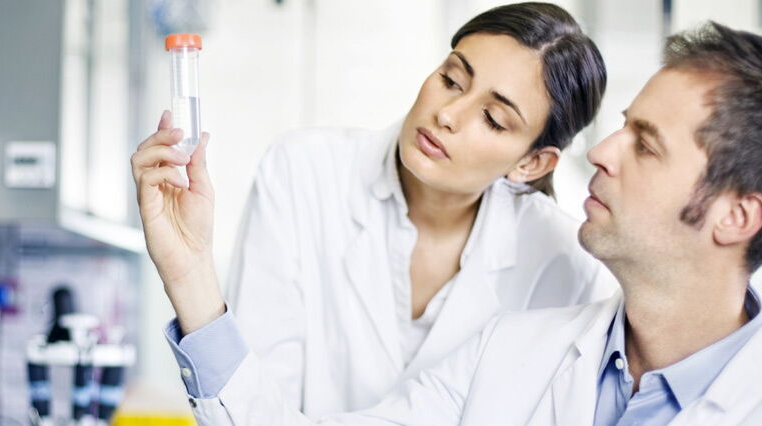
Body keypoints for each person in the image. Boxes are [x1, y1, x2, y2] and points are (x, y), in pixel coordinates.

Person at [132, 21, 762, 425]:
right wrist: (191, 276)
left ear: (735, 216)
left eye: (646, 145)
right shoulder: (514, 352)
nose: (601, 153)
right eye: (452, 78)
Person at [132, 2, 613, 417]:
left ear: (532, 163)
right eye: (451, 79)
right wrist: (190, 273)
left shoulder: (566, 266)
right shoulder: (304, 171)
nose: (448, 114)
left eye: (492, 118)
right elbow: (251, 409)